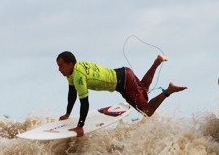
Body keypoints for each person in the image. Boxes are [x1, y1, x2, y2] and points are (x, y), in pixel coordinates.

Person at [56, 51, 187, 137]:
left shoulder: (78, 76)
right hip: (124, 72)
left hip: (123, 83)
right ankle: (157, 62)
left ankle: (169, 90)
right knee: (143, 89)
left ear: (70, 64)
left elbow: (84, 102)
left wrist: (80, 126)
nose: (59, 69)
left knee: (146, 111)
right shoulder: (73, 72)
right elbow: (72, 93)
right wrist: (67, 114)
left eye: (61, 66)